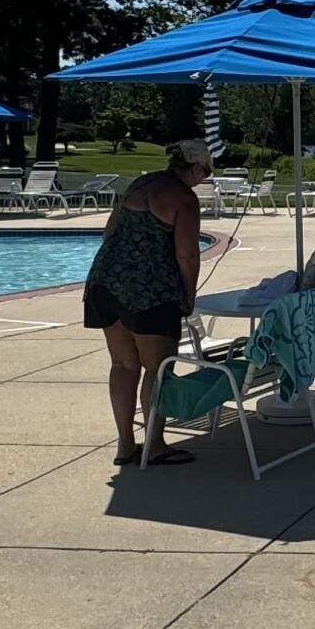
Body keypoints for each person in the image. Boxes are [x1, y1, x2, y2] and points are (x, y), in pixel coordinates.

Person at [85, 137, 209, 467]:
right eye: (206, 173)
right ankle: (154, 445)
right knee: (158, 368)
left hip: (105, 281)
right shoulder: (184, 198)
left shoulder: (139, 184)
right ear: (197, 168)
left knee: (123, 365)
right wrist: (188, 293)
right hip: (150, 290)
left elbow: (109, 232)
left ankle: (125, 445)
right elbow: (187, 254)